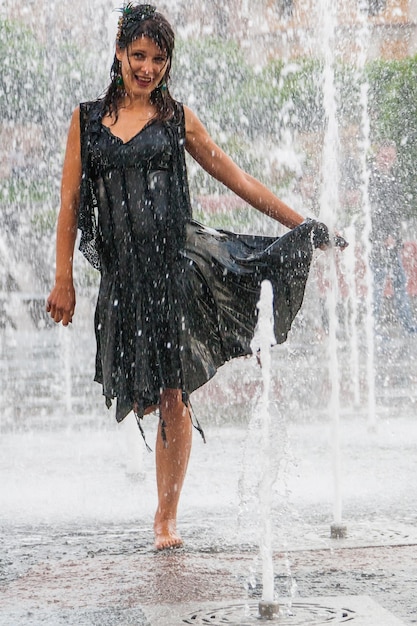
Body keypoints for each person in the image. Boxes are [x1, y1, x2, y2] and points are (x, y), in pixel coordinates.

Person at [46, 4, 338, 550]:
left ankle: (166, 517)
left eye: (158, 58)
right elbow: (68, 204)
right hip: (124, 281)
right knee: (148, 396)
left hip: (175, 271)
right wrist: (63, 276)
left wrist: (304, 224)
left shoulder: (177, 118)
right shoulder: (86, 120)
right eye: (138, 56)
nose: (147, 68)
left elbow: (237, 178)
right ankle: (163, 491)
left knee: (173, 392)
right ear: (118, 53)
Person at [369, 141, 416, 335]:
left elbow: (395, 214)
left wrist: (395, 239)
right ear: (377, 155)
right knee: (378, 283)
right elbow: (372, 214)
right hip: (377, 243)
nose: (386, 160)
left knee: (399, 281)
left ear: (394, 159)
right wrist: (381, 238)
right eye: (383, 156)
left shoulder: (394, 180)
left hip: (391, 243)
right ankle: (372, 329)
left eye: (390, 157)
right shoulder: (372, 179)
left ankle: (408, 325)